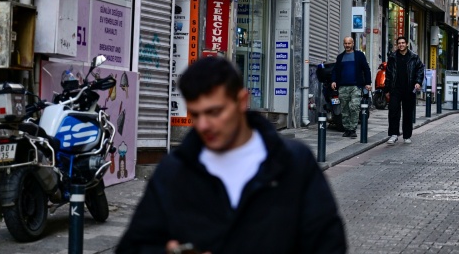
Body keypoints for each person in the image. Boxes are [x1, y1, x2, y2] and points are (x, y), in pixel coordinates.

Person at [116, 56, 346, 254]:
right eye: (196, 114)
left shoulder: (291, 162)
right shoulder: (176, 170)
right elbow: (134, 245)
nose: (204, 125)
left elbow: (328, 244)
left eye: (214, 112)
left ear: (241, 101)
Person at [385, 36, 424, 145]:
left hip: (409, 89)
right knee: (393, 112)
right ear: (397, 45)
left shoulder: (414, 57)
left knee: (407, 113)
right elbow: (388, 74)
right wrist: (387, 89)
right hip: (395, 89)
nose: (401, 45)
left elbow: (420, 70)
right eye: (399, 43)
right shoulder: (392, 57)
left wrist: (418, 82)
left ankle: (407, 135)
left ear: (407, 44)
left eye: (403, 43)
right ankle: (393, 135)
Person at [331, 36, 372, 139]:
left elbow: (366, 69)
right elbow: (335, 70)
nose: (347, 45)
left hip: (355, 86)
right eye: (345, 43)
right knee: (344, 109)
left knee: (354, 107)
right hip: (343, 87)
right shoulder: (340, 57)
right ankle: (347, 129)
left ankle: (353, 129)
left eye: (349, 43)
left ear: (353, 44)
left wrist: (368, 83)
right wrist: (333, 81)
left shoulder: (359, 55)